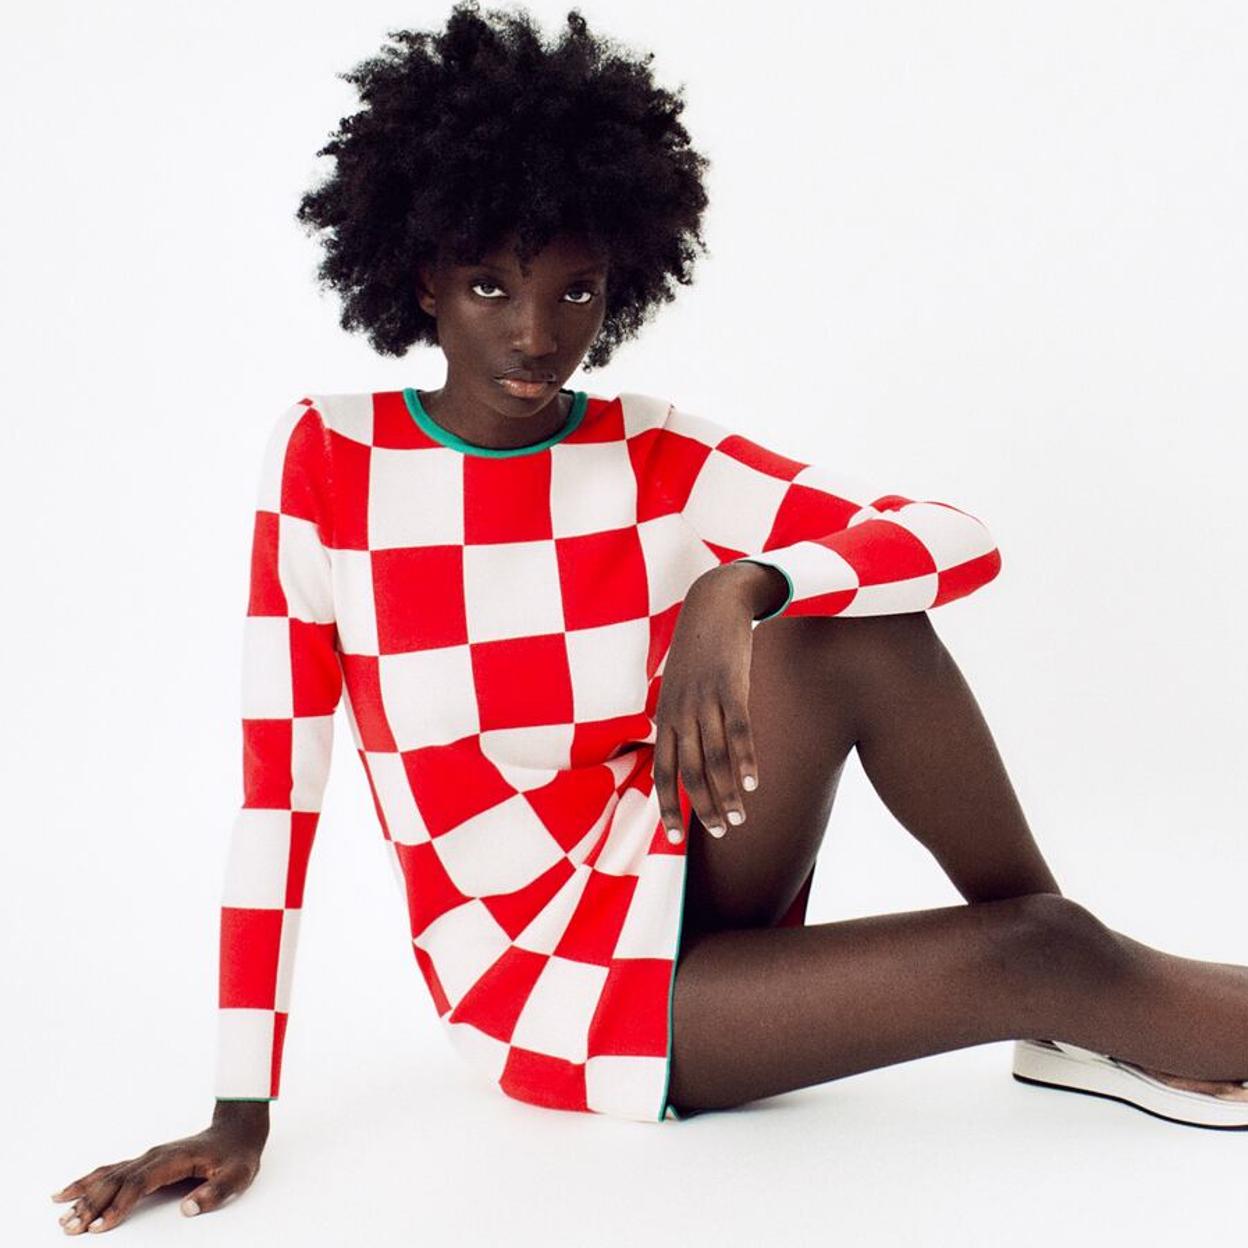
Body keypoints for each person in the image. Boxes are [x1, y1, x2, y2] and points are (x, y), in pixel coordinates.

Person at [53, 1, 1248, 1236]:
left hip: (675, 860)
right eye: (490, 285)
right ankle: (1075, 988)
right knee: (1036, 950)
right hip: (542, 987)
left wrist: (740, 589)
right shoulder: (328, 463)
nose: (536, 335)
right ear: (420, 278)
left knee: (857, 625)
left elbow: (953, 535)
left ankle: (1084, 1013)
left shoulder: (655, 454)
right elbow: (276, 798)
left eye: (575, 291)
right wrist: (238, 1110)